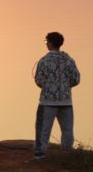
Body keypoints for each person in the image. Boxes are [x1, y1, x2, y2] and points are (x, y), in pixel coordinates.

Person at [33, 32, 80, 160]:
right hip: (66, 101)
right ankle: (67, 155)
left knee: (43, 129)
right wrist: (65, 86)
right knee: (67, 130)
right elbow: (76, 79)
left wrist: (49, 87)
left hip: (47, 101)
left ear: (50, 43)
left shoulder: (44, 60)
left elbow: (38, 80)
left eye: (46, 41)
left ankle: (40, 154)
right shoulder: (69, 60)